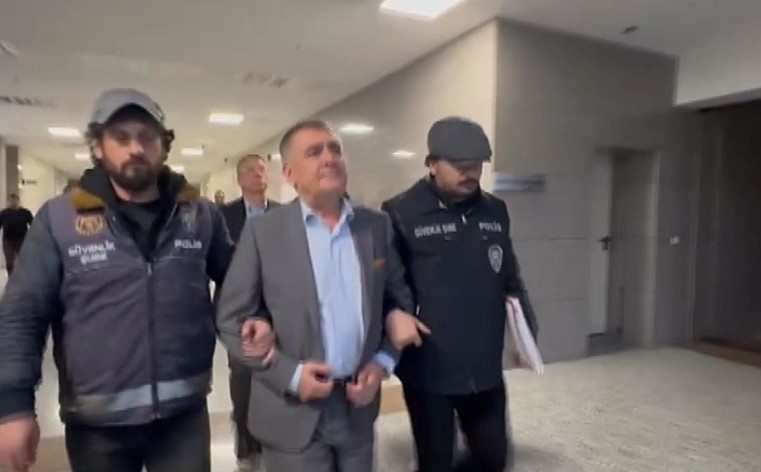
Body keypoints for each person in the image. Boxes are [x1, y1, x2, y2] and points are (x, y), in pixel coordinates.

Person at [0, 88, 234, 472]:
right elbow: (22, 314)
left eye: (147, 137)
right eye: (121, 138)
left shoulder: (199, 214)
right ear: (97, 146)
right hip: (96, 423)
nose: (135, 148)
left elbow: (239, 285)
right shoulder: (59, 219)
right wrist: (13, 407)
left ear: (164, 145)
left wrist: (257, 330)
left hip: (183, 414)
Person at [217, 119, 414, 472]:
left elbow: (398, 300)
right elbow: (231, 320)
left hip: (357, 409)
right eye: (314, 152)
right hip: (291, 413)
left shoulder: (375, 226)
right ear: (289, 174)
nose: (329, 158)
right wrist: (290, 376)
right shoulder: (264, 232)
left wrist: (383, 362)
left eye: (335, 149)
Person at [381, 117, 539, 472]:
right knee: (436, 461)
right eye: (460, 166)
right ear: (431, 164)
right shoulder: (401, 212)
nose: (470, 173)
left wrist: (526, 334)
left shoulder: (495, 210)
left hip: (483, 364)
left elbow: (510, 277)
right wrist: (395, 316)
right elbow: (388, 285)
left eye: (477, 165)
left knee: (492, 459)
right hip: (429, 368)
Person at [220, 153, 281, 471]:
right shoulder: (223, 216)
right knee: (243, 381)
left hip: (278, 313)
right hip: (239, 315)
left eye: (262, 169)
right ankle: (246, 448)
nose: (258, 175)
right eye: (251, 171)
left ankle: (278, 443)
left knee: (277, 377)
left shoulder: (284, 214)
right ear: (240, 178)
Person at [0, 194, 34, 276]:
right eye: (10, 201)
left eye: (14, 201)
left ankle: (23, 278)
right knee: (9, 261)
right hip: (8, 241)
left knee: (23, 261)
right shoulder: (4, 213)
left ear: (18, 201)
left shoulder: (25, 213)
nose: (12, 203)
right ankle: (11, 278)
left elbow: (34, 225)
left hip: (22, 240)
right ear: (8, 202)